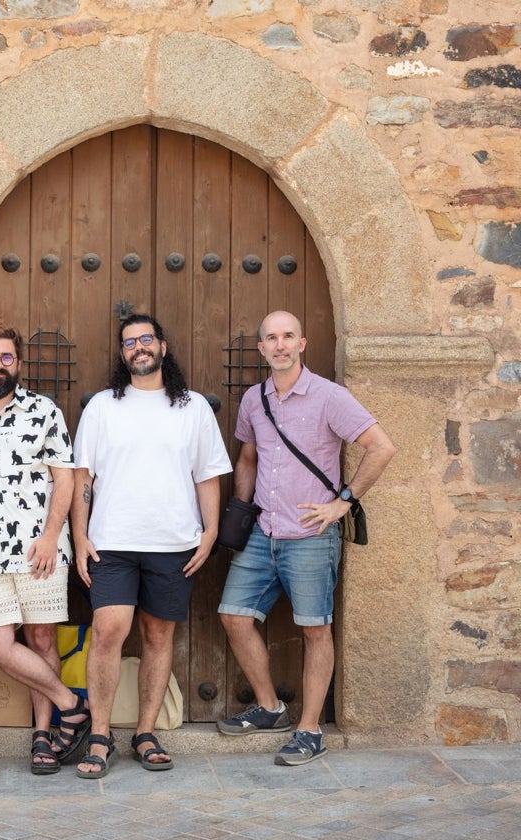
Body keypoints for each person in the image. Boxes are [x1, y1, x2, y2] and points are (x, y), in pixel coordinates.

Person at [216, 310, 396, 765]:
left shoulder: (329, 396)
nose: (279, 345)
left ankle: (310, 729)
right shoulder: (255, 400)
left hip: (312, 536)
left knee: (315, 630)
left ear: (302, 343)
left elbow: (381, 446)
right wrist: (241, 514)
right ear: (261, 348)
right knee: (234, 616)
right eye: (271, 338)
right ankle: (270, 707)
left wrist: (344, 502)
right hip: (263, 532)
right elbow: (248, 458)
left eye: (288, 336)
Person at [71, 314, 231, 778]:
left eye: (145, 340)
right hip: (112, 542)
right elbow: (84, 477)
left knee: (159, 637)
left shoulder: (194, 407)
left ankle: (144, 732)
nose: (138, 348)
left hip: (173, 543)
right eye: (129, 343)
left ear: (162, 346)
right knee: (108, 631)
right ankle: (100, 736)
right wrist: (80, 537)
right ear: (122, 354)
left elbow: (208, 475)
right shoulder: (103, 406)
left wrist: (210, 532)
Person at [0, 324, 89, 775]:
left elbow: (63, 476)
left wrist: (50, 536)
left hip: (38, 550)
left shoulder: (44, 412)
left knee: (42, 638)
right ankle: (72, 706)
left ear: (19, 363)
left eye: (6, 357)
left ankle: (42, 737)